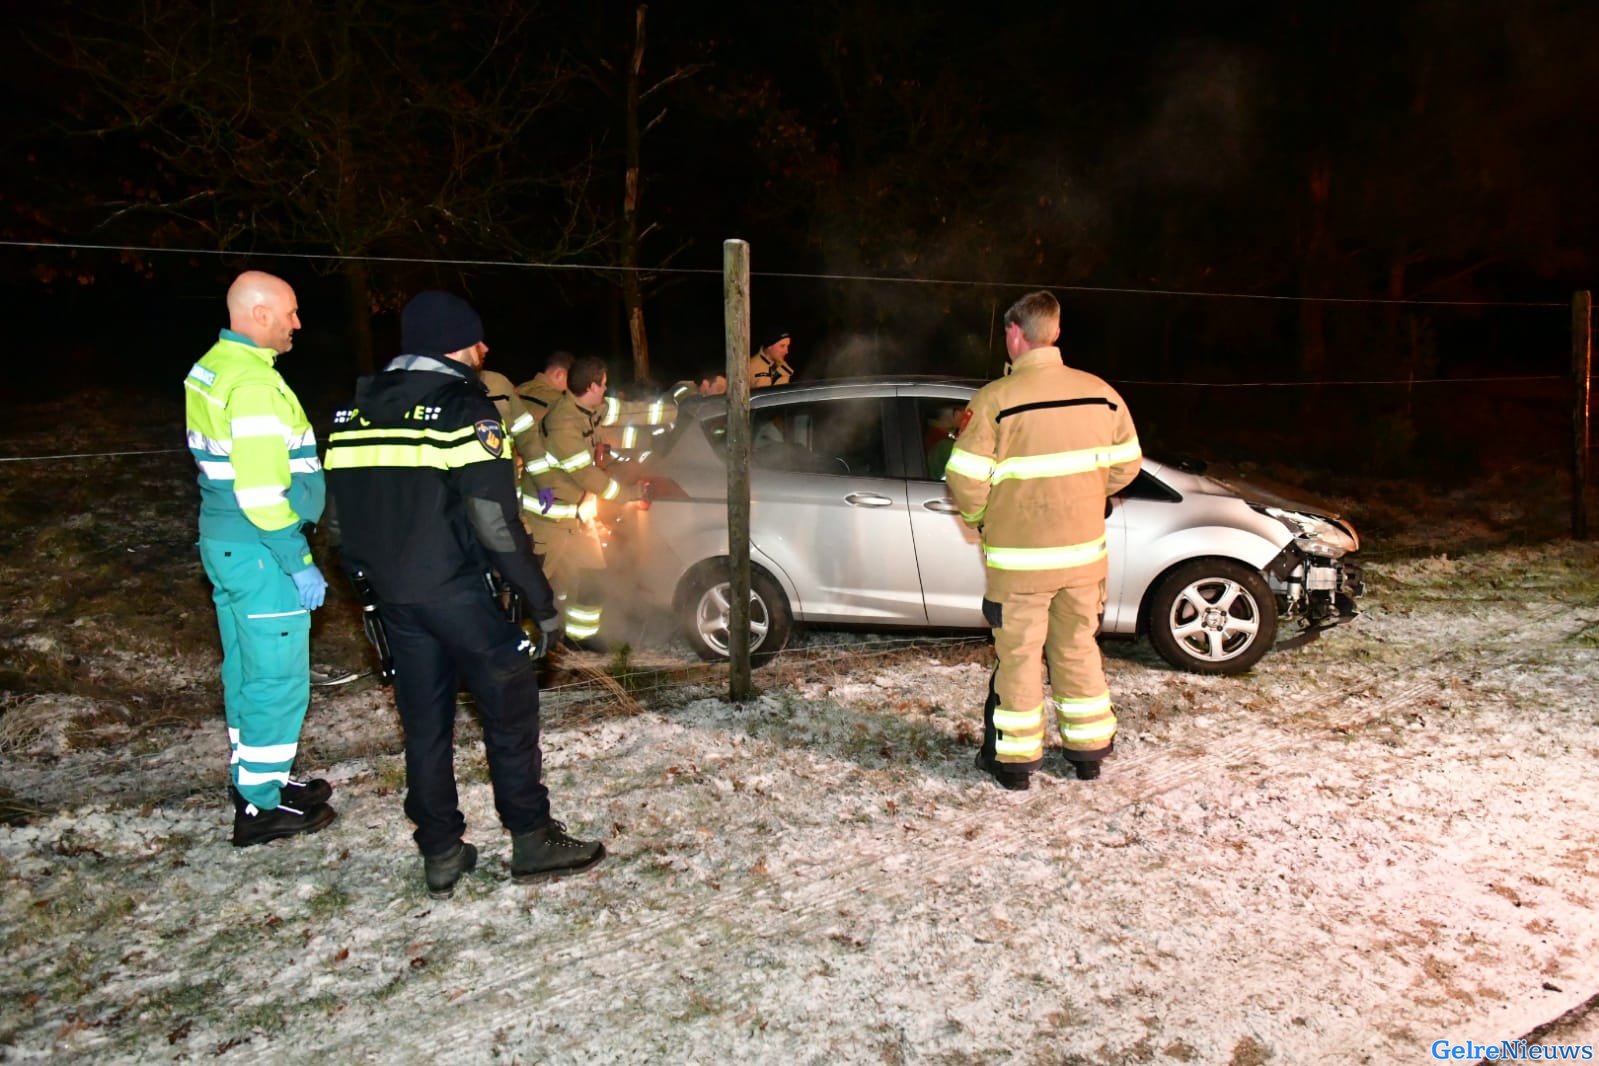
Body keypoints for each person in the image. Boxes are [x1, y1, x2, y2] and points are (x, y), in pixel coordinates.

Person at [324, 291, 604, 898]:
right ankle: (530, 837)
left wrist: (370, 592)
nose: (484, 350)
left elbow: (339, 525)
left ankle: (441, 850)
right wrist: (539, 600)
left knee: (426, 725)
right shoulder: (464, 409)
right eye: (477, 341)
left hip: (395, 600)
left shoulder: (353, 412)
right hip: (458, 592)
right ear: (455, 345)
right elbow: (495, 522)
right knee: (510, 708)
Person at [945, 291, 1141, 790]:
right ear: (1054, 333)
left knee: (1019, 658)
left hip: (1021, 565)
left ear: (1015, 333)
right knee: (1077, 650)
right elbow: (1127, 465)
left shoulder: (995, 400)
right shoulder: (1102, 394)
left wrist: (984, 518)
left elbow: (964, 479)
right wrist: (1086, 496)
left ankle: (1015, 764)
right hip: (1084, 560)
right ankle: (1088, 753)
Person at [182, 270, 337, 846]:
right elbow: (262, 493)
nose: (298, 323)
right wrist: (297, 558)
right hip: (261, 549)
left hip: (228, 542)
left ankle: (257, 778)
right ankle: (259, 809)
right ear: (261, 313)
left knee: (246, 670)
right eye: (290, 312)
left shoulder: (213, 366)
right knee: (277, 678)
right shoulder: (252, 385)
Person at [524, 355, 624, 649]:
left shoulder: (585, 410)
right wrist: (629, 494)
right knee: (535, 584)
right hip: (546, 519)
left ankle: (580, 638)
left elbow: (626, 411)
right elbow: (584, 474)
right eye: (603, 385)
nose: (605, 389)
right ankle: (526, 645)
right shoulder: (560, 419)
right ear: (592, 386)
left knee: (592, 575)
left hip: (576, 517)